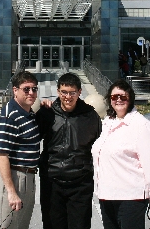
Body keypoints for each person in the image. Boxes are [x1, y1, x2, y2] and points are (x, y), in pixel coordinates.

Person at [91, 79, 150, 229]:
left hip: (131, 197)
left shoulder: (141, 125)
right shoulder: (108, 122)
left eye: (123, 97)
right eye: (114, 97)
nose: (118, 100)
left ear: (130, 99)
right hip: (106, 195)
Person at [36, 72, 102, 229]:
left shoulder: (90, 115)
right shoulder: (47, 113)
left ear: (79, 92)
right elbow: (27, 134)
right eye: (64, 92)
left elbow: (103, 143)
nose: (68, 97)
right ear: (58, 91)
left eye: (72, 92)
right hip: (52, 183)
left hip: (80, 184)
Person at [0, 71, 41, 229]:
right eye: (26, 89)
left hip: (27, 177)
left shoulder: (27, 113)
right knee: (6, 225)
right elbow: (1, 155)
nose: (31, 93)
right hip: (13, 178)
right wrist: (11, 192)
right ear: (15, 90)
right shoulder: (10, 116)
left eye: (34, 89)